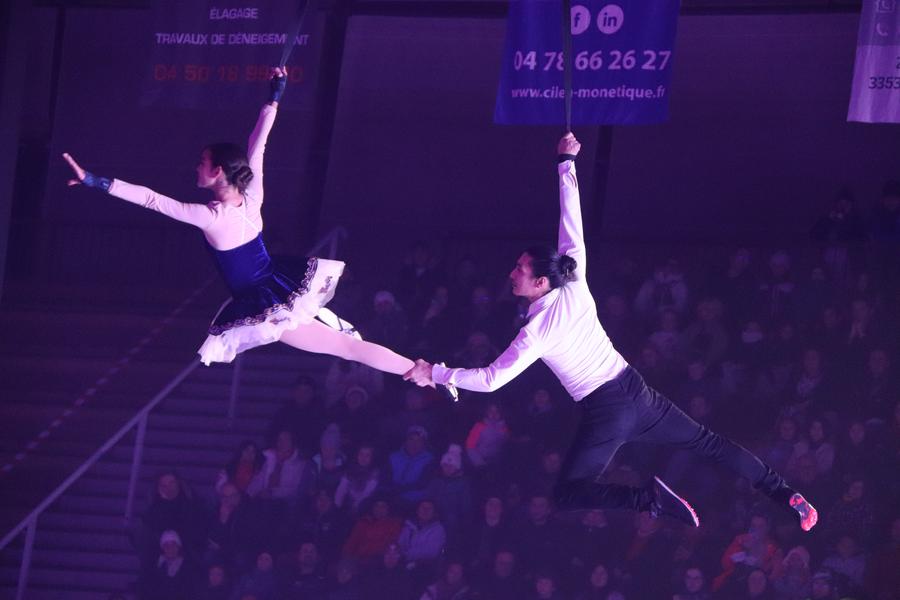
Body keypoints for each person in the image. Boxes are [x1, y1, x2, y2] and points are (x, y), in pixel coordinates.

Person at [404, 133, 817, 532]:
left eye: (520, 270)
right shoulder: (575, 277)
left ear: (541, 282)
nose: (512, 274)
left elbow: (492, 380)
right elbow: (571, 220)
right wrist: (566, 163)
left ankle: (646, 501)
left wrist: (437, 372)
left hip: (607, 411)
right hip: (636, 391)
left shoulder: (537, 332)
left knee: (567, 494)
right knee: (709, 443)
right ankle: (787, 495)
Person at [61, 67, 454, 396]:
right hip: (279, 282)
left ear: (217, 172)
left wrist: (97, 181)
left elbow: (152, 200)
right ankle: (424, 371)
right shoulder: (252, 195)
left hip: (266, 301)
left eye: (202, 162)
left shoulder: (211, 216)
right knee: (347, 346)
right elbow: (258, 145)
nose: (195, 167)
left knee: (346, 348)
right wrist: (274, 95)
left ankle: (424, 372)